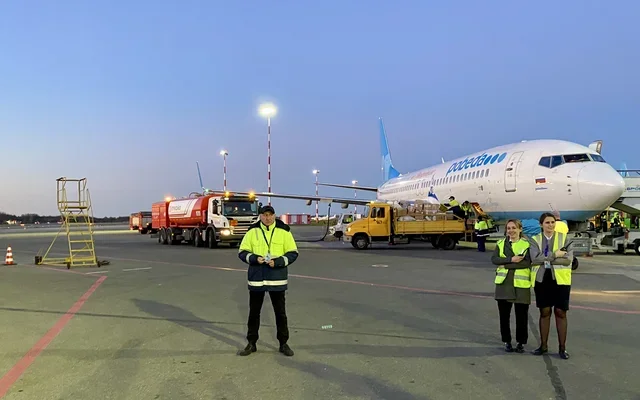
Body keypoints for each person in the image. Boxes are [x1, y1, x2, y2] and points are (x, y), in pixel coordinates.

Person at [236, 205, 299, 357]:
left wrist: (278, 262)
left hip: (277, 279)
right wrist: (254, 258)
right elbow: (242, 252)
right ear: (260, 216)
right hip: (257, 279)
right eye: (264, 215)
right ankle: (251, 343)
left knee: (280, 313)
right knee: (254, 313)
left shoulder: (284, 231)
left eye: (270, 215)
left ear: (274, 215)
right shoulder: (252, 231)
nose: (267, 218)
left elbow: (293, 253)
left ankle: (283, 343)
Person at [528, 212, 573, 359]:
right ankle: (543, 346)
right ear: (541, 225)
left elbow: (567, 260)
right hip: (542, 279)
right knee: (545, 312)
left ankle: (562, 348)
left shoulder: (564, 238)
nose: (551, 225)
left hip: (560, 280)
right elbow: (534, 259)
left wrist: (545, 259)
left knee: (561, 312)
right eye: (547, 222)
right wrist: (555, 255)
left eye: (553, 222)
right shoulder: (535, 239)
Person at [491, 219, 532, 353]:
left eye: (514, 228)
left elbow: (527, 263)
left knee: (522, 316)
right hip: (504, 284)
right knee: (504, 316)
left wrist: (506, 265)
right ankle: (506, 341)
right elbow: (494, 259)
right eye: (508, 228)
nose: (511, 230)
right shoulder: (500, 243)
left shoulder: (526, 244)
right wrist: (511, 259)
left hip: (521, 285)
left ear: (520, 229)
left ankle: (521, 342)